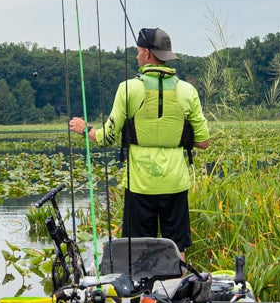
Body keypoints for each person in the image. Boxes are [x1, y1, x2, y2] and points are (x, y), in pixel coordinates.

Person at [68, 26, 212, 254]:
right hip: (175, 184)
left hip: (140, 185)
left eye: (138, 52)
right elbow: (203, 142)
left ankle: (143, 289)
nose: (136, 56)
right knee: (178, 249)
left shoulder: (127, 89)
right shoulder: (188, 91)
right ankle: (179, 286)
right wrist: (173, 133)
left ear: (147, 53)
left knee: (137, 252)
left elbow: (107, 137)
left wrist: (86, 130)